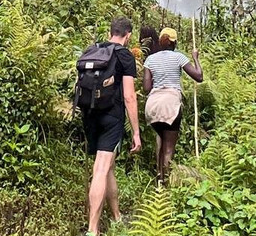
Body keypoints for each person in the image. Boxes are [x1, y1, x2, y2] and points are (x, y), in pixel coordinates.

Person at [82, 17, 141, 236]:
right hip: (111, 117)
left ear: (111, 32)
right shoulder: (125, 55)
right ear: (128, 35)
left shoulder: (93, 50)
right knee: (101, 169)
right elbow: (129, 96)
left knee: (108, 167)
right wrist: (136, 131)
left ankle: (116, 216)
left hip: (89, 114)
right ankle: (92, 230)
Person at [143, 26, 203, 183]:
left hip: (153, 105)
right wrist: (195, 57)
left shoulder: (150, 59)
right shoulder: (179, 57)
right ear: (174, 43)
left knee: (160, 142)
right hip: (170, 104)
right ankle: (166, 184)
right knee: (169, 148)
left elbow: (146, 88)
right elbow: (199, 77)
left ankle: (158, 179)